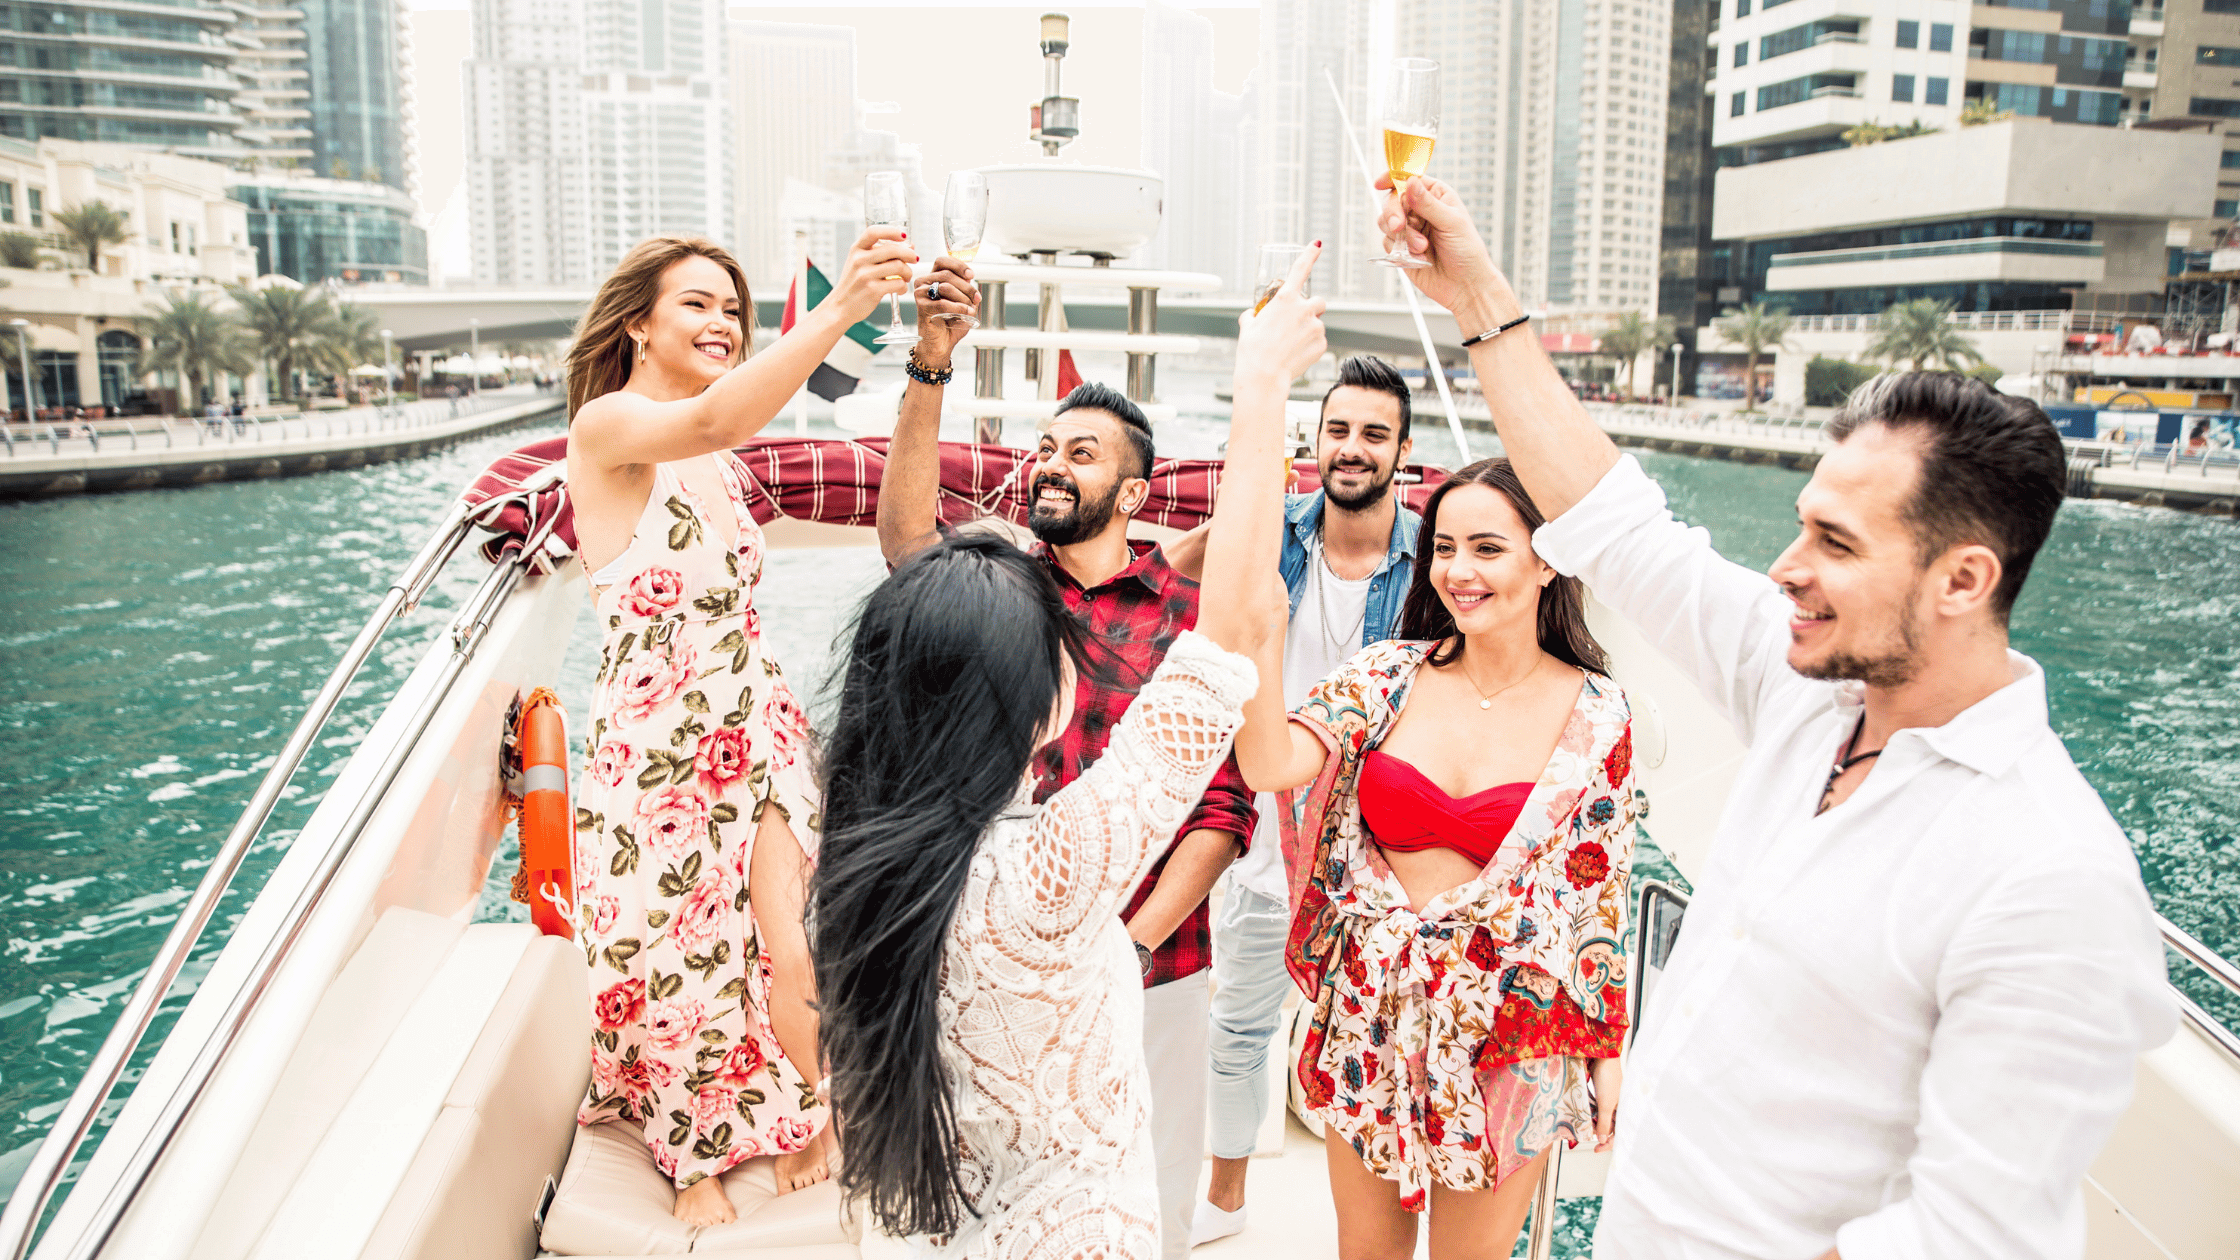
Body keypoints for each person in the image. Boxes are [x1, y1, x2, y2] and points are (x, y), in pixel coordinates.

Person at [1375, 173, 2175, 1259]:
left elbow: (1969, 1234)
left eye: (1836, 545)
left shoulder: (2046, 878)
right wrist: (1471, 295)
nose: (1785, 569)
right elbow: (1612, 522)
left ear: (1961, 579)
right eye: (1802, 526)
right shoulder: (1807, 690)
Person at [812, 244, 1322, 1260]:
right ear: (1026, 698)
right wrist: (1261, 385)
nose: (1048, 463)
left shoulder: (859, 869)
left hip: (1158, 966)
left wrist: (1123, 948)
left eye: (1079, 453)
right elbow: (1235, 625)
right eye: (1042, 447)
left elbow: (1222, 813)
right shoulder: (1046, 861)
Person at [564, 229, 913, 1226]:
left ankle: (807, 1109)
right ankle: (691, 1154)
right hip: (659, 748)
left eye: (731, 309)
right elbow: (722, 409)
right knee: (678, 955)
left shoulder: (714, 461)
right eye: (698, 306)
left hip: (749, 726)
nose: (721, 324)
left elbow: (725, 421)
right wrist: (838, 309)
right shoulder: (609, 428)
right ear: (638, 322)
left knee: (790, 939)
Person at [1231, 456, 1634, 1259]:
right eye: (1443, 547)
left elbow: (1600, 892)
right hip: (1371, 1014)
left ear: (1547, 557)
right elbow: (1270, 766)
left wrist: (1607, 1054)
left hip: (1511, 1032)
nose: (1457, 570)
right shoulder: (1385, 675)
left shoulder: (1598, 713)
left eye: (1487, 548)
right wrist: (1263, 635)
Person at [1164, 353, 1426, 1248]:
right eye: (1338, 431)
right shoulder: (1269, 529)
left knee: (1386, 1038)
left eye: (1373, 435)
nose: (1352, 450)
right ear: (1315, 440)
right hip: (1269, 835)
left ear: (1403, 449)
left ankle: (1384, 1217)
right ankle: (1226, 1201)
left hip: (1383, 847)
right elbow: (1167, 574)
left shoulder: (1434, 558)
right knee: (1239, 1025)